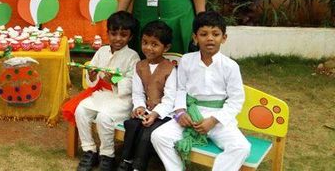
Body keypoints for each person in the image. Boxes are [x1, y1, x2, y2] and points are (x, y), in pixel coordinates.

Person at [151, 11, 250, 171]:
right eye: (203, 34)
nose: (210, 38)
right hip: (191, 114)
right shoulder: (186, 60)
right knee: (158, 136)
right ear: (195, 38)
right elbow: (181, 89)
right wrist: (181, 112)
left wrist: (214, 120)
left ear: (224, 38)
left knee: (241, 147)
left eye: (215, 34)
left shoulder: (230, 66)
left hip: (218, 119)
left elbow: (236, 101)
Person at [61, 11, 140, 171]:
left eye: (123, 35)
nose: (118, 38)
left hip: (121, 99)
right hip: (101, 94)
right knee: (81, 110)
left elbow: (133, 83)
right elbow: (92, 80)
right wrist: (92, 75)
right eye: (114, 34)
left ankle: (107, 156)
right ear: (108, 33)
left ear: (130, 37)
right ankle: (89, 150)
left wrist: (115, 81)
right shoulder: (102, 51)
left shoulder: (133, 56)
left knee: (104, 117)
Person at [118, 20, 176, 171]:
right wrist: (139, 107)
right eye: (145, 42)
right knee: (132, 125)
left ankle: (139, 166)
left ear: (166, 47)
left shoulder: (170, 69)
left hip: (164, 114)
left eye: (154, 44)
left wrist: (155, 114)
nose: (148, 48)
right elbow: (138, 93)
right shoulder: (140, 66)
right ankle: (126, 161)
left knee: (147, 133)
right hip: (146, 112)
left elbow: (170, 100)